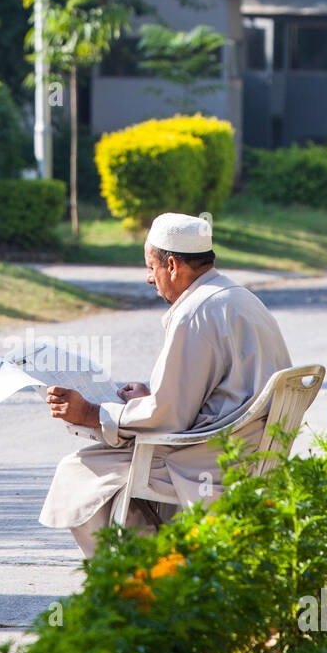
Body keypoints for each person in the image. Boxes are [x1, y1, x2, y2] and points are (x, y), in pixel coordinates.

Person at [40, 212, 292, 557]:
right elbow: (195, 395)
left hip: (211, 457)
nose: (149, 278)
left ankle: (138, 575)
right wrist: (148, 397)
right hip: (251, 448)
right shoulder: (237, 296)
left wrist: (91, 413)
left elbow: (168, 417)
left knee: (79, 471)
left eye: (150, 267)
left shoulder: (196, 311)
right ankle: (157, 565)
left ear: (171, 265)